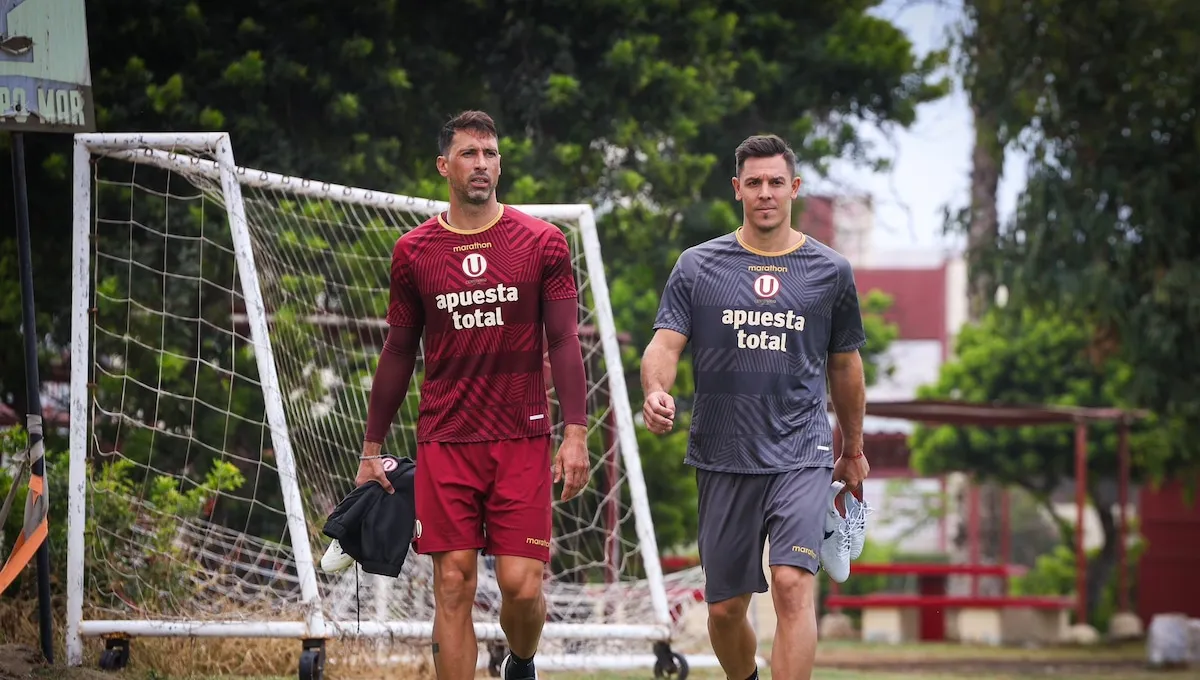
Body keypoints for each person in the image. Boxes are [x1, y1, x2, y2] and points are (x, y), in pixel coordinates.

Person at [357, 110, 592, 680]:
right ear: (444, 166)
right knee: (453, 582)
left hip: (522, 435)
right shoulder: (414, 252)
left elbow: (562, 339)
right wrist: (372, 445)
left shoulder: (542, 242)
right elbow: (397, 351)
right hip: (446, 439)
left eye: (490, 153)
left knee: (520, 584)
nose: (481, 163)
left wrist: (576, 433)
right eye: (469, 153)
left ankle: (523, 659)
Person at [640, 134, 871, 680]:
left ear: (794, 188)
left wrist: (853, 449)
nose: (765, 193)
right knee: (724, 611)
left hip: (801, 452)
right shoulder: (698, 267)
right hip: (722, 454)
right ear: (737, 189)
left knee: (793, 585)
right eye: (754, 183)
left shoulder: (830, 271)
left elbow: (846, 365)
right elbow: (664, 345)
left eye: (775, 182)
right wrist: (655, 390)